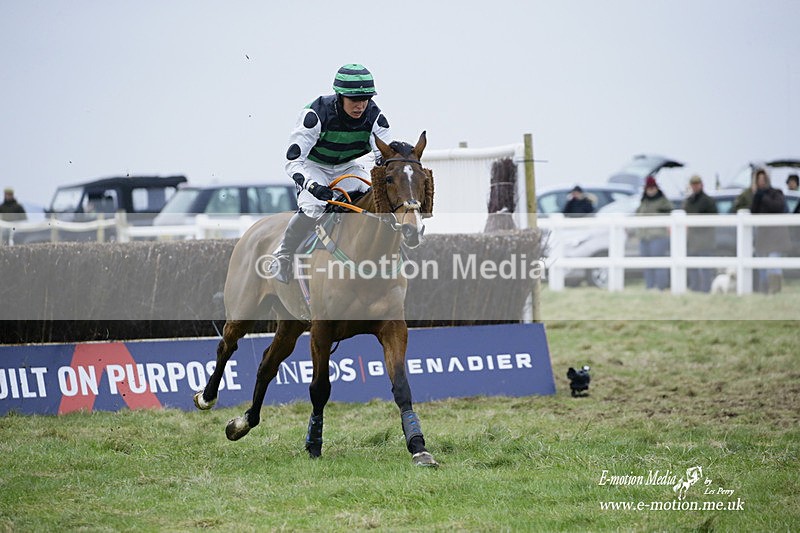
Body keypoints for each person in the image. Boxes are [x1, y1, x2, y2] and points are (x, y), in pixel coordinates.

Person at [273, 64, 392, 283]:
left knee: (376, 200)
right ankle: (283, 254)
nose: (360, 106)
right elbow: (293, 161)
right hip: (313, 166)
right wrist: (313, 187)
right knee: (314, 207)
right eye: (354, 100)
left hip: (348, 166)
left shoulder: (376, 117)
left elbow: (384, 156)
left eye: (365, 99)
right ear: (339, 97)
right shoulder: (315, 114)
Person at [750, 169, 789, 293]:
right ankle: (764, 290)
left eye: (763, 180)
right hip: (762, 236)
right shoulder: (757, 196)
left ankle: (775, 291)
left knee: (774, 264)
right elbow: (753, 212)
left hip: (775, 237)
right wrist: (757, 197)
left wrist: (764, 197)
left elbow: (778, 207)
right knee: (762, 266)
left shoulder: (776, 193)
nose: (761, 182)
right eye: (759, 180)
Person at [636, 175, 673, 290]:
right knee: (647, 264)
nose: (650, 191)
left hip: (658, 236)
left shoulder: (663, 201)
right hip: (644, 237)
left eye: (652, 188)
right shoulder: (644, 202)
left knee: (659, 263)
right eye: (648, 188)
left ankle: (661, 287)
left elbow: (670, 213)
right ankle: (649, 286)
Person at [682, 175, 718, 292]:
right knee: (692, 267)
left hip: (705, 240)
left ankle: (706, 289)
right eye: (693, 184)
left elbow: (713, 219)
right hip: (692, 240)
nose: (695, 187)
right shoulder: (689, 201)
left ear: (701, 185)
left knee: (705, 267)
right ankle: (695, 288)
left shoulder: (708, 201)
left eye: (697, 184)